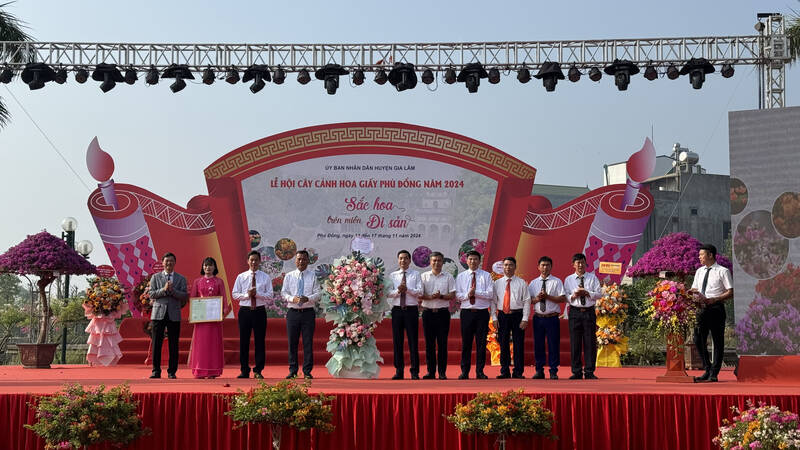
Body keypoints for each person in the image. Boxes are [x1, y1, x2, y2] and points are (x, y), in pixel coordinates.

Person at [689, 244, 733, 383]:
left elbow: (730, 292)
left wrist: (716, 299)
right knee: (698, 338)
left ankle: (714, 373)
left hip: (716, 308)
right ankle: (707, 369)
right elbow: (694, 288)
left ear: (710, 255)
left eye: (701, 255)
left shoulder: (723, 271)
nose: (699, 257)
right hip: (701, 308)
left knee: (717, 340)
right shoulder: (699, 271)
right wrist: (692, 294)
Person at [232, 250, 273, 379]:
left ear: (260, 261)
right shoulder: (241, 276)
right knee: (244, 341)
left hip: (259, 311)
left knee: (259, 341)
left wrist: (257, 294)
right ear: (248, 261)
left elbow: (270, 295)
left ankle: (258, 370)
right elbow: (235, 294)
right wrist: (247, 295)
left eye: (256, 260)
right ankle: (244, 370)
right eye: (251, 260)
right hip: (245, 311)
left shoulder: (265, 277)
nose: (254, 262)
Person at [188, 257, 230, 379]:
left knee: (213, 344)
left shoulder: (219, 281)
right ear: (203, 267)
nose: (208, 267)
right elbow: (193, 298)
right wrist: (193, 312)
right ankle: (199, 370)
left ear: (215, 267)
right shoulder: (197, 281)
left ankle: (213, 371)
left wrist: (224, 311)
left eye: (210, 265)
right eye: (206, 265)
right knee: (201, 345)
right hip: (201, 318)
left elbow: (224, 297)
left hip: (214, 318)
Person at [148, 252, 189, 379]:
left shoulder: (181, 278)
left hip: (174, 314)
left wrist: (173, 291)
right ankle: (156, 371)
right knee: (156, 343)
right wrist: (164, 289)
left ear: (175, 263)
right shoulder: (155, 277)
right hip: (158, 314)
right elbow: (151, 294)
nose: (169, 263)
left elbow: (184, 295)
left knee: (174, 344)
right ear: (162, 263)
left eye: (171, 261)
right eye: (167, 261)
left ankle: (172, 372)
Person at [281, 250, 320, 379]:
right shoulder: (289, 276)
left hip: (308, 313)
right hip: (293, 313)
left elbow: (318, 293)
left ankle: (307, 371)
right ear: (295, 260)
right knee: (292, 342)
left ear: (308, 261)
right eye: (299, 259)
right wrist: (293, 299)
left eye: (304, 259)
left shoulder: (313, 276)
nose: (301, 261)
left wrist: (308, 298)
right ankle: (293, 370)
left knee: (308, 342)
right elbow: (284, 293)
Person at [563, 253, 602, 380]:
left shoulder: (592, 278)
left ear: (586, 264)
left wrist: (587, 293)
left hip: (589, 312)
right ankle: (576, 371)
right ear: (573, 265)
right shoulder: (568, 279)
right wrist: (573, 296)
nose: (580, 265)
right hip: (575, 312)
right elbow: (565, 296)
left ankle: (589, 371)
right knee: (575, 342)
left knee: (590, 342)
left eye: (582, 262)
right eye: (578, 263)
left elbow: (599, 294)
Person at [491, 256, 531, 379]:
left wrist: (525, 318)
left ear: (515, 267)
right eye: (506, 265)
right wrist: (494, 318)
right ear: (502, 267)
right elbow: (493, 301)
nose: (508, 267)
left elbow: (527, 301)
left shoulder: (521, 283)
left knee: (518, 344)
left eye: (510, 265)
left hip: (517, 315)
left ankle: (518, 371)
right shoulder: (497, 283)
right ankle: (504, 371)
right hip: (502, 315)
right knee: (503, 343)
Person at [455, 250, 493, 380]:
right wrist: (468, 295)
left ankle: (480, 371)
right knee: (466, 343)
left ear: (479, 261)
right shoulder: (461, 276)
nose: (473, 261)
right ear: (466, 261)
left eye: (475, 259)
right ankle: (464, 371)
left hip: (482, 313)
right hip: (467, 313)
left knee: (481, 343)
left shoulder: (486, 276)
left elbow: (490, 294)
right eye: (470, 259)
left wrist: (476, 293)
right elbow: (458, 296)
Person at [527, 256, 566, 380]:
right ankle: (539, 370)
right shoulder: (533, 283)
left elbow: (562, 298)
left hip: (552, 318)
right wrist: (538, 298)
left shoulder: (557, 281)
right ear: (538, 267)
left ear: (551, 267)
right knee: (538, 345)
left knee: (553, 344)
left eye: (548, 265)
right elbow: (529, 300)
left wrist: (548, 297)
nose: (545, 267)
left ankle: (553, 370)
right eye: (543, 265)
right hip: (538, 318)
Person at [420, 251, 456, 380]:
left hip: (443, 313)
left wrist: (441, 296)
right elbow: (419, 294)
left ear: (442, 262)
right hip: (428, 313)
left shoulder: (448, 277)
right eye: (434, 260)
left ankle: (442, 372)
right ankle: (430, 372)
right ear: (430, 262)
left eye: (439, 260)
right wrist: (430, 297)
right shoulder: (423, 276)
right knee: (429, 344)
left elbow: (452, 295)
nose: (436, 263)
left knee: (442, 343)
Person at [388, 250, 423, 380]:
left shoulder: (416, 274)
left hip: (411, 310)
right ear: (398, 260)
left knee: (413, 341)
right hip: (397, 310)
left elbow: (420, 292)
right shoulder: (393, 275)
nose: (403, 260)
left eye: (405, 258)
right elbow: (388, 293)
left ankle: (414, 371)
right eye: (401, 258)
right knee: (397, 341)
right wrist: (398, 291)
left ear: (409, 260)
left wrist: (407, 290)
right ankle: (399, 371)